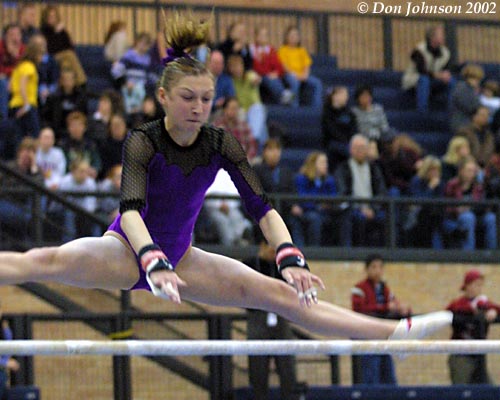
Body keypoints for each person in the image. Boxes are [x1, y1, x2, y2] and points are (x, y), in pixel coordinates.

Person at [0, 11, 453, 345]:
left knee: (281, 294)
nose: (198, 107)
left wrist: (289, 254)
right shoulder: (143, 140)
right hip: (124, 251)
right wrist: (151, 260)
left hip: (183, 260)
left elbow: (262, 207)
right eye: (187, 97)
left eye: (205, 98)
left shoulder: (220, 143)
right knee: (43, 262)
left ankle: (392, 335)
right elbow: (131, 211)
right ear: (163, 96)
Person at [245, 235, 301, 400]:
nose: (273, 251)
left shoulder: (282, 267)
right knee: (258, 368)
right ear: (262, 245)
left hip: (280, 317)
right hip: (257, 317)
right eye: (270, 247)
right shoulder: (249, 264)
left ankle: (290, 396)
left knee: (287, 365)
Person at [351, 254, 411, 384]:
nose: (377, 271)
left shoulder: (385, 289)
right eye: (373, 267)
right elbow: (360, 309)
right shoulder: (359, 288)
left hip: (383, 337)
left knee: (388, 376)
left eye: (380, 267)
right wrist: (385, 307)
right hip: (367, 337)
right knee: (371, 376)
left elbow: (394, 304)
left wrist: (402, 310)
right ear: (367, 269)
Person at [447, 269, 500, 384]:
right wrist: (473, 310)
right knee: (461, 388)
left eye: (481, 285)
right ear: (468, 285)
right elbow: (452, 311)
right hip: (461, 355)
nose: (479, 288)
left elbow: (494, 308)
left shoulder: (484, 304)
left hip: (479, 357)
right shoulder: (458, 304)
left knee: (487, 389)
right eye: (476, 285)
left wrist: (494, 311)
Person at [334, 134, 388, 247]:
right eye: (356, 148)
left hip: (373, 208)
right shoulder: (343, 168)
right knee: (355, 219)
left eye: (362, 148)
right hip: (353, 208)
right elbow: (343, 192)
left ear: (367, 150)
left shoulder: (374, 169)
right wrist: (360, 208)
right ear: (350, 149)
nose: (359, 151)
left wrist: (372, 208)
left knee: (386, 218)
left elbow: (381, 191)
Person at [443, 156, 497, 250]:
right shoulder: (452, 185)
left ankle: (492, 253)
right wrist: (458, 209)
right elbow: (445, 206)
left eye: (473, 171)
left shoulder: (479, 185)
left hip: (477, 214)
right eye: (469, 170)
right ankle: (469, 253)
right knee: (468, 217)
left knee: (490, 218)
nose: (472, 173)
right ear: (461, 171)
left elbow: (484, 202)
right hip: (456, 217)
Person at [402, 26, 454, 112]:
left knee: (451, 80)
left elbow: (447, 69)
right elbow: (421, 71)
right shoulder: (419, 50)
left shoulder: (445, 52)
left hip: (433, 81)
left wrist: (446, 75)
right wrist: (438, 75)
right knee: (424, 79)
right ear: (432, 37)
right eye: (441, 35)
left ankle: (451, 111)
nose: (444, 37)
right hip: (414, 81)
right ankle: (422, 112)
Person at [40, 5, 87, 88]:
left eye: (54, 16)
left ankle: (69, 89)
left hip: (63, 57)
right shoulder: (44, 31)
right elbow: (50, 48)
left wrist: (62, 34)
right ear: (46, 18)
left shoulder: (61, 30)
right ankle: (82, 83)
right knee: (69, 54)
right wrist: (56, 33)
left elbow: (70, 46)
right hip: (51, 57)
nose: (52, 19)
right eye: (50, 17)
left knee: (66, 64)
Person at [250, 26, 298, 106]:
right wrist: (269, 73)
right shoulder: (252, 49)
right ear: (256, 37)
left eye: (265, 35)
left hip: (273, 75)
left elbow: (279, 66)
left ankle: (293, 105)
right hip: (261, 75)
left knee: (291, 79)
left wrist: (276, 73)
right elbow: (256, 67)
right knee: (271, 80)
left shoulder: (271, 49)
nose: (263, 37)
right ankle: (285, 97)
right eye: (261, 35)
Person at [277, 26, 322, 109]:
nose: (294, 37)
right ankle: (295, 108)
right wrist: (297, 76)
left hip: (302, 75)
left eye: (296, 35)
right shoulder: (282, 50)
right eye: (292, 35)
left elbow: (306, 65)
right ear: (286, 37)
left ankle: (316, 108)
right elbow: (284, 67)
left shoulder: (302, 50)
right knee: (294, 82)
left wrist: (305, 75)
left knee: (317, 83)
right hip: (289, 75)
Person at [8, 36, 44, 138]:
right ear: (35, 54)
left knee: (19, 138)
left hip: (15, 105)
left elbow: (9, 87)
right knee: (35, 137)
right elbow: (22, 85)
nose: (42, 58)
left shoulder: (19, 67)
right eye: (41, 54)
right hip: (27, 106)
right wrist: (26, 105)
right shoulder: (29, 67)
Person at [321, 86, 357, 172]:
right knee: (354, 152)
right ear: (335, 96)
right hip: (333, 142)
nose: (346, 98)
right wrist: (346, 141)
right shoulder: (327, 112)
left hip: (348, 142)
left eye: (347, 95)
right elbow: (331, 131)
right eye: (344, 95)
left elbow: (354, 128)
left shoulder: (349, 112)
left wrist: (352, 140)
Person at [212, 96, 258, 161]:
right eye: (232, 108)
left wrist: (247, 158)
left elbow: (252, 146)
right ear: (225, 109)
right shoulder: (216, 126)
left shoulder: (244, 125)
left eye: (236, 108)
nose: (235, 111)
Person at [449, 64, 484, 135]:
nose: (477, 82)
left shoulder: (471, 89)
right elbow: (471, 107)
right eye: (474, 78)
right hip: (461, 122)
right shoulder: (462, 88)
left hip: (468, 120)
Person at [0, 300, 20, 399]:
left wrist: (5, 362)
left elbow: (7, 353)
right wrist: (4, 362)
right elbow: (6, 361)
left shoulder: (6, 331)